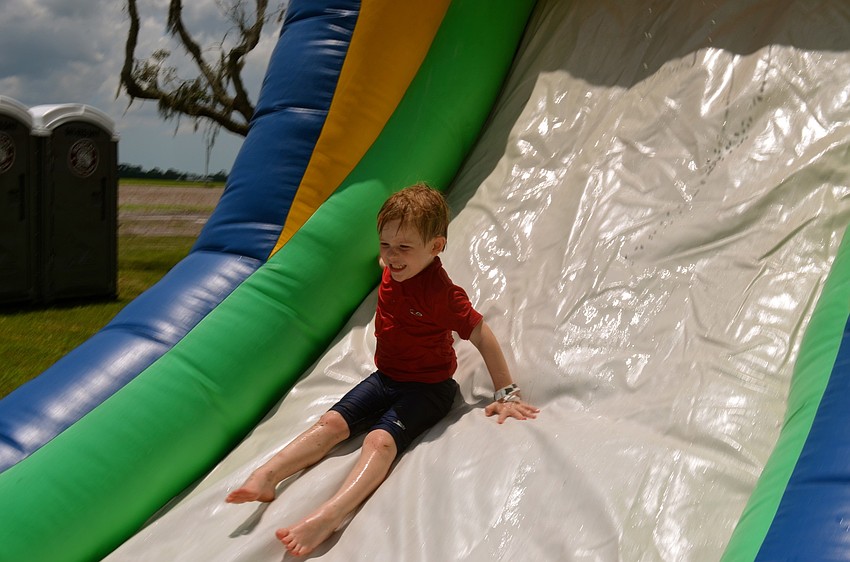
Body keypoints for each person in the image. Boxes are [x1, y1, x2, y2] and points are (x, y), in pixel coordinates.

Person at [225, 183, 539, 557]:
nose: (392, 256)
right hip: (385, 378)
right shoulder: (392, 267)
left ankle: (329, 516)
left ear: (436, 247)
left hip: (428, 388)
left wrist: (506, 393)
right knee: (329, 425)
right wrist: (393, 255)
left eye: (404, 247)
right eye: (385, 245)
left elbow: (483, 337)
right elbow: (389, 260)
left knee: (379, 440)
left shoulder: (443, 295)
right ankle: (269, 476)